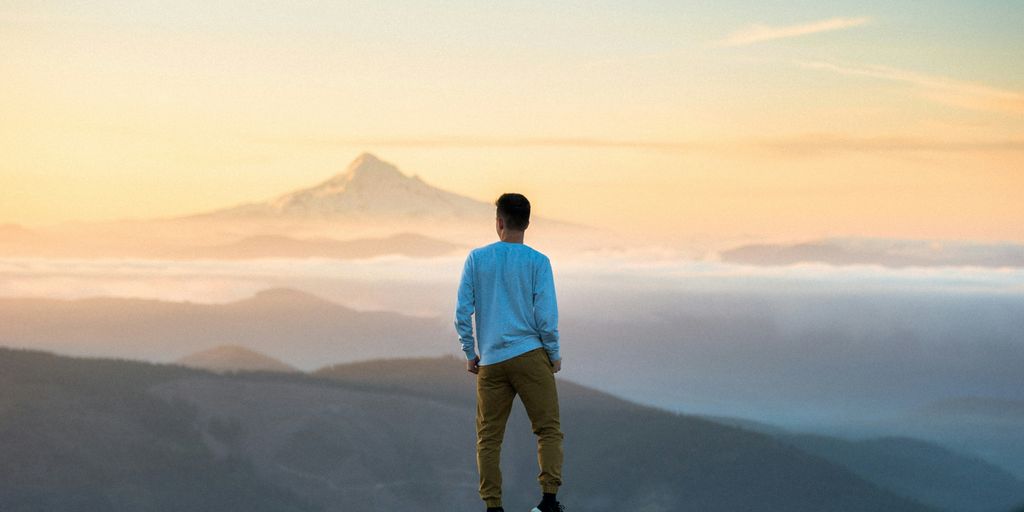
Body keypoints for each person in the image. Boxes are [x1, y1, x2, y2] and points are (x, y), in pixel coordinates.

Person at [455, 193, 565, 512]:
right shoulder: (538, 262)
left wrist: (470, 352)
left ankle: (493, 506)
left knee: (489, 438)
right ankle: (548, 501)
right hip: (531, 354)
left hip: (490, 361)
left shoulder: (477, 259)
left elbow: (462, 312)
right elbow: (546, 317)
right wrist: (553, 353)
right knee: (547, 429)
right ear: (527, 223)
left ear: (499, 222)